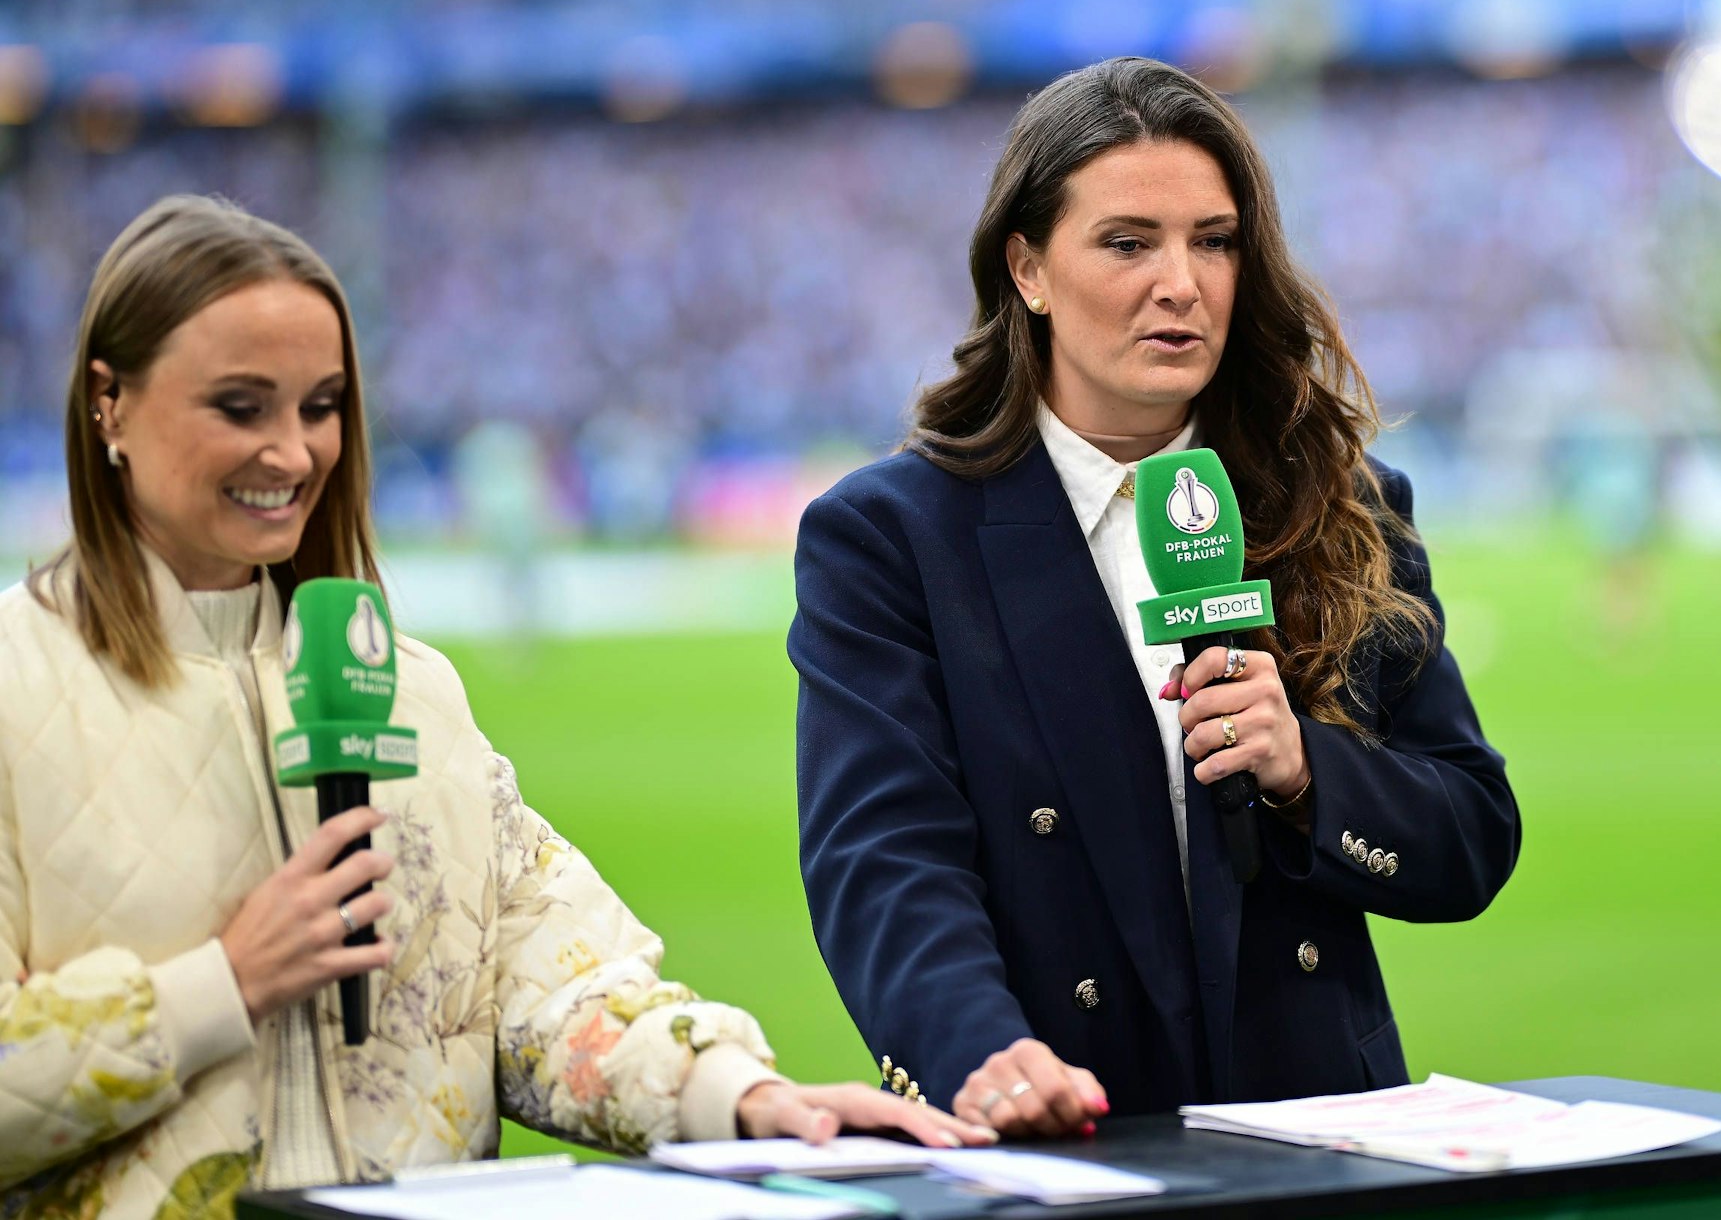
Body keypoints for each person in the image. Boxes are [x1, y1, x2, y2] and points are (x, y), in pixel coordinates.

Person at [0, 197, 991, 1217]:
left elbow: (555, 984)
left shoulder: (411, 692)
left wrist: (742, 1099)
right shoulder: (16, 688)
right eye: (241, 407)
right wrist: (225, 985)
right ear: (107, 404)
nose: (294, 454)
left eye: (322, 405)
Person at [791, 57, 1521, 1138]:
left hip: (1323, 1143)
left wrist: (1306, 773)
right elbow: (883, 861)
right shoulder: (892, 537)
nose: (1180, 282)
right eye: (1127, 242)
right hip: (1062, 1136)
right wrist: (978, 1055)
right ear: (1027, 269)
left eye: (1212, 241)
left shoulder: (1344, 503)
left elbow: (1469, 835)